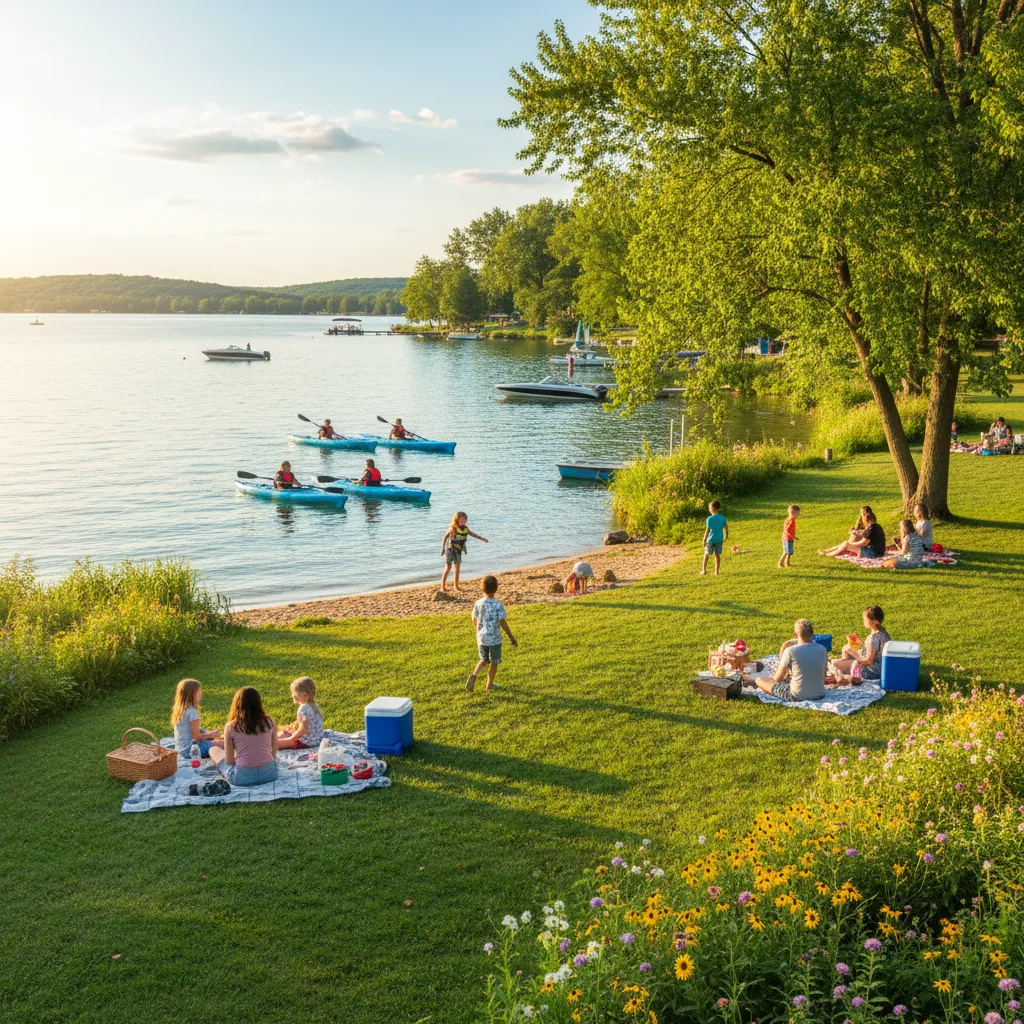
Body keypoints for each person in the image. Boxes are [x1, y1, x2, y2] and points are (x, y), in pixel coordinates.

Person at [210, 686, 279, 786]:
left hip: (242, 778)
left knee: (213, 750)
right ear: (259, 703)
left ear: (237, 704)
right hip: (270, 774)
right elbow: (274, 750)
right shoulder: (269, 722)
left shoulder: (231, 726)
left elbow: (229, 761)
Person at [466, 575, 517, 693]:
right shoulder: (497, 604)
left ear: (481, 588)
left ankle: (474, 675)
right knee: (494, 661)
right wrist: (511, 637)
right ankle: (489, 685)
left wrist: (478, 629)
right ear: (496, 588)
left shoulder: (478, 603)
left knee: (484, 660)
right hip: (494, 640)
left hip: (482, 638)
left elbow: (474, 618)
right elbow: (502, 622)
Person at [755, 619, 827, 702]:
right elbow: (823, 676)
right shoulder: (822, 649)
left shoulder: (791, 650)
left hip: (796, 696)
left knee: (760, 679)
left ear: (795, 635)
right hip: (820, 694)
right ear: (812, 634)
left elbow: (778, 679)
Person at [831, 605, 891, 682]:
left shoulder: (873, 637)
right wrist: (860, 646)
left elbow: (868, 661)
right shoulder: (883, 632)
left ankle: (845, 667)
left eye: (866, 620)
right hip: (882, 668)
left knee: (835, 664)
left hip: (873, 672)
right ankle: (845, 663)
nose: (864, 621)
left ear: (875, 622)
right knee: (847, 648)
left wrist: (853, 653)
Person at [171, 678, 222, 757]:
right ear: (190, 694)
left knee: (216, 741)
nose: (200, 693)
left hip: (180, 750)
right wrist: (211, 734)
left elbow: (196, 731)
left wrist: (209, 735)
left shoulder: (180, 709)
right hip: (191, 751)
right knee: (224, 744)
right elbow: (197, 737)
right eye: (198, 691)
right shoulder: (192, 712)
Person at [441, 511, 488, 592]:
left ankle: (456, 586)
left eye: (464, 520)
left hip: (458, 550)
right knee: (448, 568)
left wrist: (483, 539)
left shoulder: (465, 529)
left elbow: (473, 534)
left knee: (457, 569)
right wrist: (442, 549)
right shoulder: (453, 528)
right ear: (457, 520)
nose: (463, 522)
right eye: (461, 521)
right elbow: (445, 537)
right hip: (450, 549)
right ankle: (442, 587)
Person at [277, 676, 326, 750]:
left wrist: (292, 738)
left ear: (305, 695)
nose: (292, 695)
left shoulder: (303, 709)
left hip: (307, 742)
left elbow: (303, 729)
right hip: (317, 739)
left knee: (281, 743)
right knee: (288, 730)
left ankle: (266, 745)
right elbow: (307, 722)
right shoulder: (314, 704)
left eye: (295, 693)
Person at [820, 511, 886, 559]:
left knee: (846, 544)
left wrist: (849, 544)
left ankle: (828, 555)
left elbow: (862, 543)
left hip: (874, 554)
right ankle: (830, 551)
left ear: (866, 520)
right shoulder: (877, 526)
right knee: (847, 544)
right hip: (880, 552)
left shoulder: (870, 529)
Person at [700, 500, 728, 576]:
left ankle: (704, 570)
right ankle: (716, 571)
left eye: (710, 507)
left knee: (706, 555)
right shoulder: (722, 518)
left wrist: (704, 540)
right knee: (717, 555)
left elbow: (707, 530)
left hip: (710, 541)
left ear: (714, 509)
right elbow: (726, 528)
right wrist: (726, 536)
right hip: (719, 540)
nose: (709, 509)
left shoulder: (709, 519)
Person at [778, 504, 800, 568]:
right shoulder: (790, 521)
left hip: (789, 538)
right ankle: (780, 563)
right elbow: (786, 530)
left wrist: (793, 536)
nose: (798, 515)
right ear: (792, 513)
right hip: (786, 538)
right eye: (797, 514)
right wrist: (792, 536)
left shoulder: (792, 520)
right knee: (786, 551)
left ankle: (787, 563)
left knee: (790, 552)